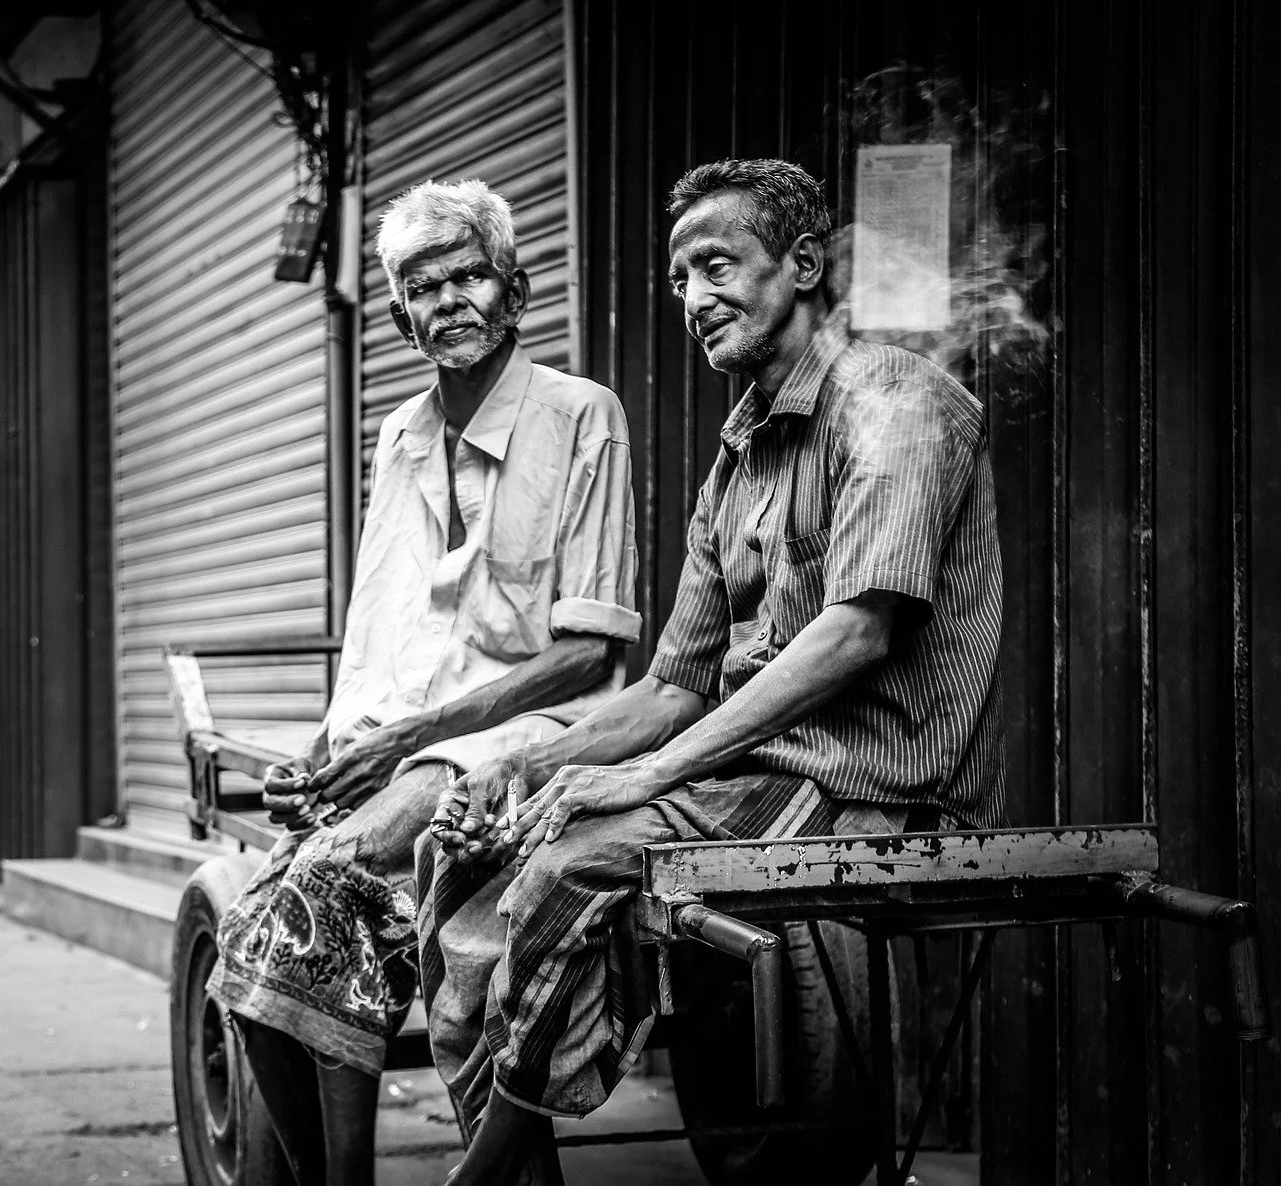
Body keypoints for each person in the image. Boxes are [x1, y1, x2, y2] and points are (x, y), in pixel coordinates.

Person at [421, 158, 1007, 1186]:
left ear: (805, 265)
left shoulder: (897, 400)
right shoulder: (736, 459)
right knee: (471, 857)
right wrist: (529, 773)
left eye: (718, 264)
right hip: (752, 776)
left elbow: (858, 632)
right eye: (680, 276)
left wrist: (644, 779)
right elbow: (672, 686)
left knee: (565, 870)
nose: (694, 297)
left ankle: (476, 1181)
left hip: (866, 784)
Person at [203, 178, 641, 1186]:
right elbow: (378, 635)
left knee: (319, 883)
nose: (446, 299)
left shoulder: (583, 416)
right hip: (406, 749)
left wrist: (403, 744)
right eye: (420, 285)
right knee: (250, 933)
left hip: (532, 733)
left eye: (467, 275)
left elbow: (590, 655)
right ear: (399, 314)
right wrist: (324, 755)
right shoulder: (398, 441)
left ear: (516, 289)